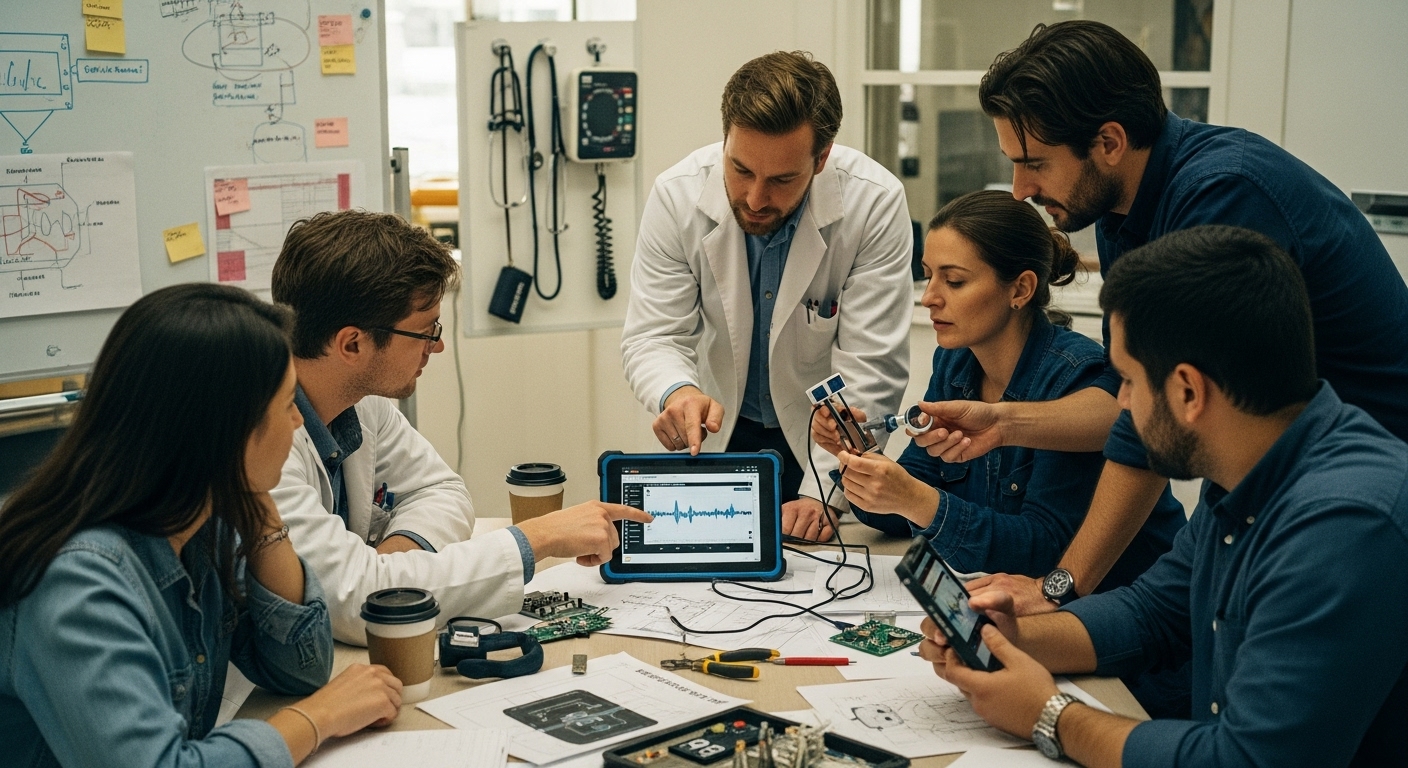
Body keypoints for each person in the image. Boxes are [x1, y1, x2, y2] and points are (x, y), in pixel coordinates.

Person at [908, 20, 1408, 617]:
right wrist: (1004, 424)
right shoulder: (1129, 206)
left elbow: (1152, 419)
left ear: (1110, 142)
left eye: (1034, 163)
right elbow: (1135, 396)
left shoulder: (1223, 194)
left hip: (1364, 491)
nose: (1019, 190)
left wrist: (1061, 585)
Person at [918, 225, 1408, 767]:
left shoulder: (1344, 524)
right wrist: (1011, 638)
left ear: (1189, 392)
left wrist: (1048, 713)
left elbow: (1247, 761)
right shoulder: (1249, 469)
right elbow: (1153, 613)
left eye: (1127, 380)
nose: (1121, 405)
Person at [0, 284, 402, 768]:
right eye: (285, 404)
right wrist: (317, 719)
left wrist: (256, 504)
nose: (298, 422)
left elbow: (302, 667)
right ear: (225, 430)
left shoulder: (196, 530)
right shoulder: (77, 582)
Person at [269, 210, 651, 644]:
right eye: (425, 331)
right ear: (352, 344)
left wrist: (393, 563)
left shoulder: (360, 402)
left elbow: (443, 492)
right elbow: (360, 603)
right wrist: (534, 539)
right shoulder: (260, 444)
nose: (438, 345)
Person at [812, 190, 1179, 583]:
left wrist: (917, 501)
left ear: (1020, 289)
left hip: (1125, 612)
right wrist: (857, 456)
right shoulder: (957, 363)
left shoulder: (1076, 379)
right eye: (928, 275)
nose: (930, 298)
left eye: (953, 281)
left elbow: (1044, 551)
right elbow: (895, 512)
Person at [621, 51, 913, 543]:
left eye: (782, 180)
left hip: (819, 441)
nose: (756, 198)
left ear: (822, 159)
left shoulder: (874, 203)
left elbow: (871, 366)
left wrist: (825, 490)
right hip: (720, 431)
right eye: (740, 170)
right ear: (726, 141)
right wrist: (677, 392)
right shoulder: (677, 197)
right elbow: (654, 335)